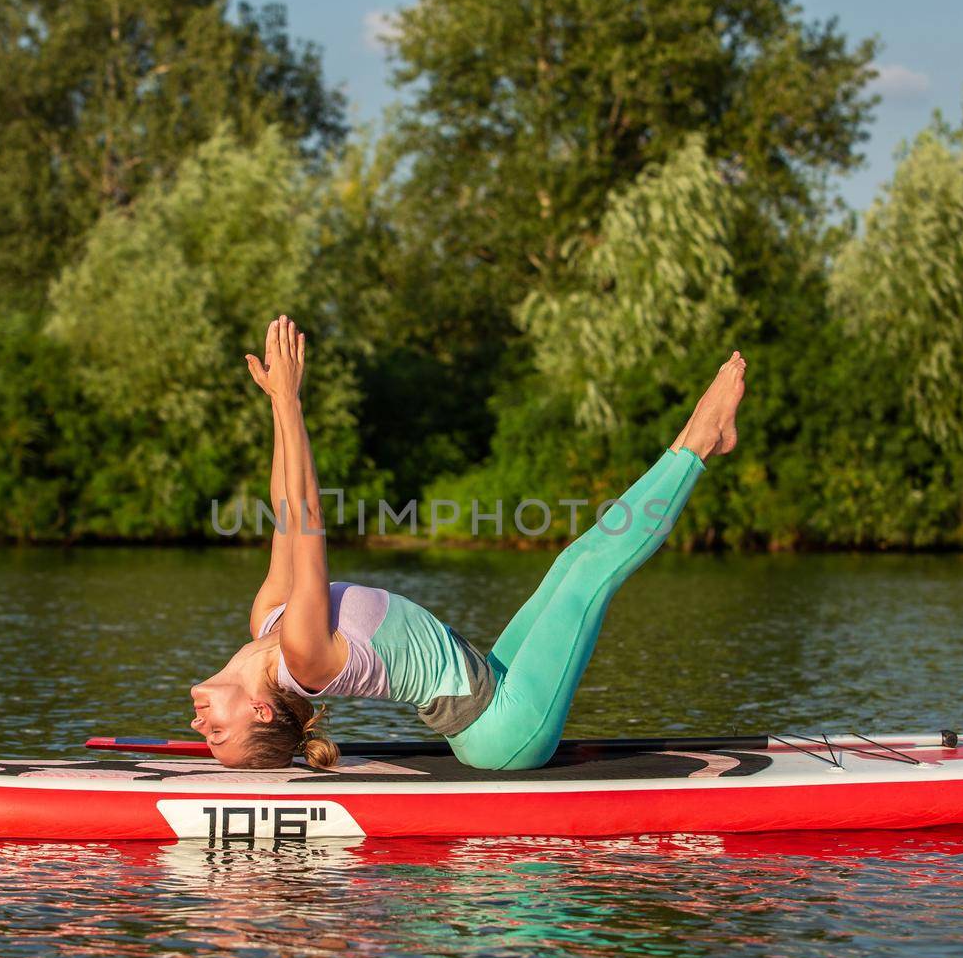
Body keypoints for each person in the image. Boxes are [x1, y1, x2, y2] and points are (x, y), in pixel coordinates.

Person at [190, 314, 746, 771]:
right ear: (262, 712)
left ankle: (696, 441)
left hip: (492, 699)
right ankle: (699, 440)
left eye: (206, 731)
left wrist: (276, 403)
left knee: (573, 562)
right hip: (502, 729)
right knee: (587, 574)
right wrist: (290, 402)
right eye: (216, 731)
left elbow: (288, 515)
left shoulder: (270, 620)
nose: (199, 723)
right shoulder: (303, 656)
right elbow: (312, 518)